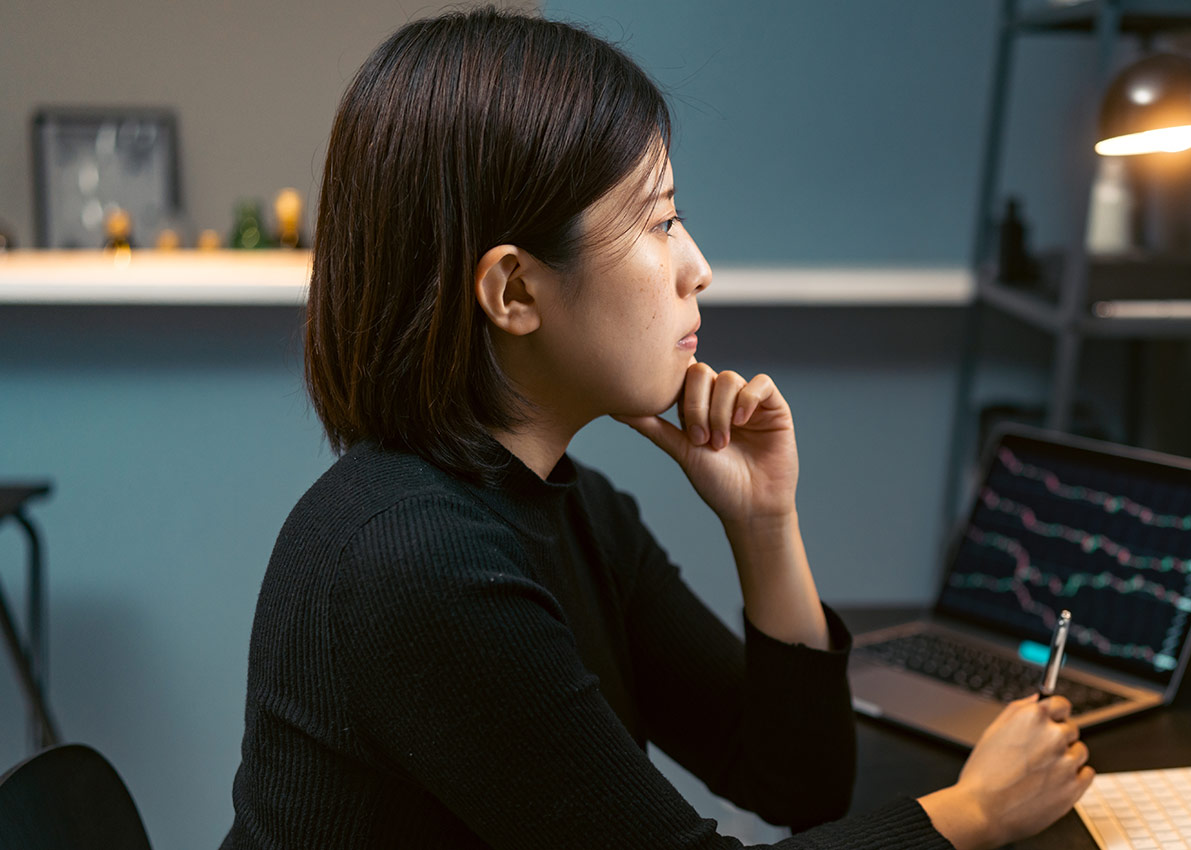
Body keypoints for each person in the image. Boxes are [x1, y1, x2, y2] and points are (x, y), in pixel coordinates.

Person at [221, 8, 1092, 850]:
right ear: (515, 292)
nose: (698, 267)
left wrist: (763, 524)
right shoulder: (414, 566)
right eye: (658, 220)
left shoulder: (573, 508)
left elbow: (798, 787)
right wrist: (973, 814)